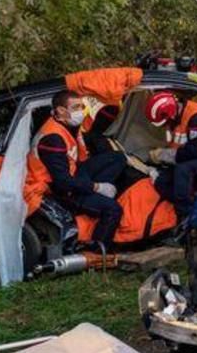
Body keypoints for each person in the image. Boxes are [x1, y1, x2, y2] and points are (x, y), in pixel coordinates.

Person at [25, 89, 126, 252]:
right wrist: (96, 187)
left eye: (81, 106)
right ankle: (96, 250)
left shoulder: (63, 124)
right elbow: (62, 182)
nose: (81, 111)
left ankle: (95, 194)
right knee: (113, 209)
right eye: (76, 107)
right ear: (61, 111)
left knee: (117, 158)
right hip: (59, 191)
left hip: (74, 171)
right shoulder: (52, 138)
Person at [145, 91, 197, 222]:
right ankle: (189, 203)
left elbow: (194, 151)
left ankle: (187, 214)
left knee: (182, 170)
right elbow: (178, 145)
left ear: (170, 114)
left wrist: (163, 155)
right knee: (160, 181)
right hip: (189, 157)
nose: (165, 125)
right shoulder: (176, 117)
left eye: (164, 122)